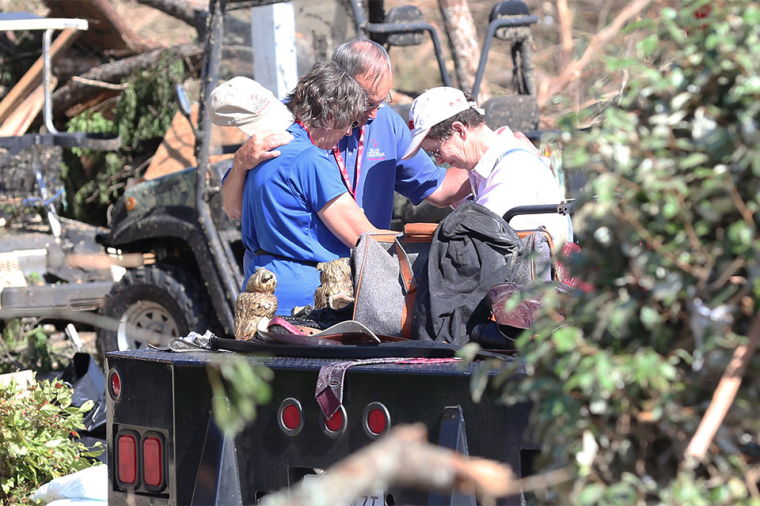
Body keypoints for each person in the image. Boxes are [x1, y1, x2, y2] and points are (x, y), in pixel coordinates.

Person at [220, 39, 472, 226]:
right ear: (337, 84)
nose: (373, 113)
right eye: (366, 103)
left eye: (382, 101)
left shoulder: (385, 121)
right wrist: (241, 163)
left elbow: (439, 190)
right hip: (311, 276)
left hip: (367, 273)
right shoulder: (290, 124)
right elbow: (234, 208)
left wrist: (491, 157)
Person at [212, 63, 382, 314]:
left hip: (258, 296)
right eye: (351, 122)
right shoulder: (309, 159)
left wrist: (238, 165)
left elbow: (232, 209)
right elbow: (363, 239)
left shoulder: (260, 149)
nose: (348, 131)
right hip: (308, 304)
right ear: (332, 114)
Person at [401, 86, 570, 248]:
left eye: (436, 151)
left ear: (459, 130)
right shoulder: (489, 166)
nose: (438, 161)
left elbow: (476, 243)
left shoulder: (512, 170)